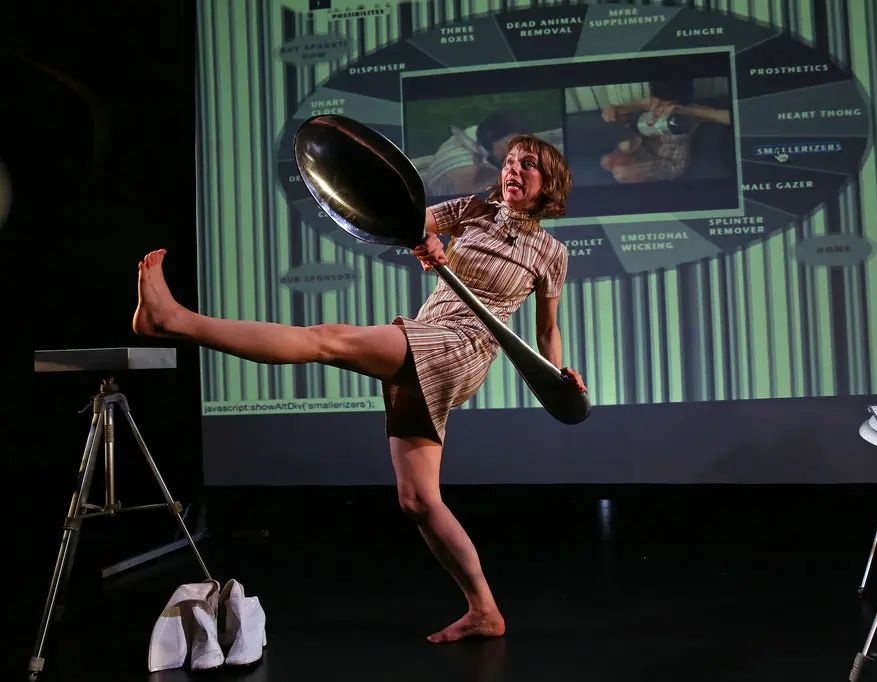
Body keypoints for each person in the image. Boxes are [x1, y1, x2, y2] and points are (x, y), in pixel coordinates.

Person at [132, 134, 587, 643]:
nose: (513, 169)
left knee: (328, 340)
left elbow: (548, 328)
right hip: (430, 335)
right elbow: (407, 221)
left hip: (463, 348)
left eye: (528, 165)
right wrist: (425, 240)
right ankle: (485, 610)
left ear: (549, 185)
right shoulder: (474, 208)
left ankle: (173, 320)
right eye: (508, 161)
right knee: (418, 500)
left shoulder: (551, 252)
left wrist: (557, 374)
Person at [598, 81, 731, 184]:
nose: (663, 108)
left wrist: (688, 110)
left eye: (668, 104)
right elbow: (626, 130)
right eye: (661, 103)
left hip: (668, 161)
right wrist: (622, 108)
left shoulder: (690, 113)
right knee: (616, 160)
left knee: (623, 167)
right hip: (643, 156)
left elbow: (738, 119)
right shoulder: (651, 107)